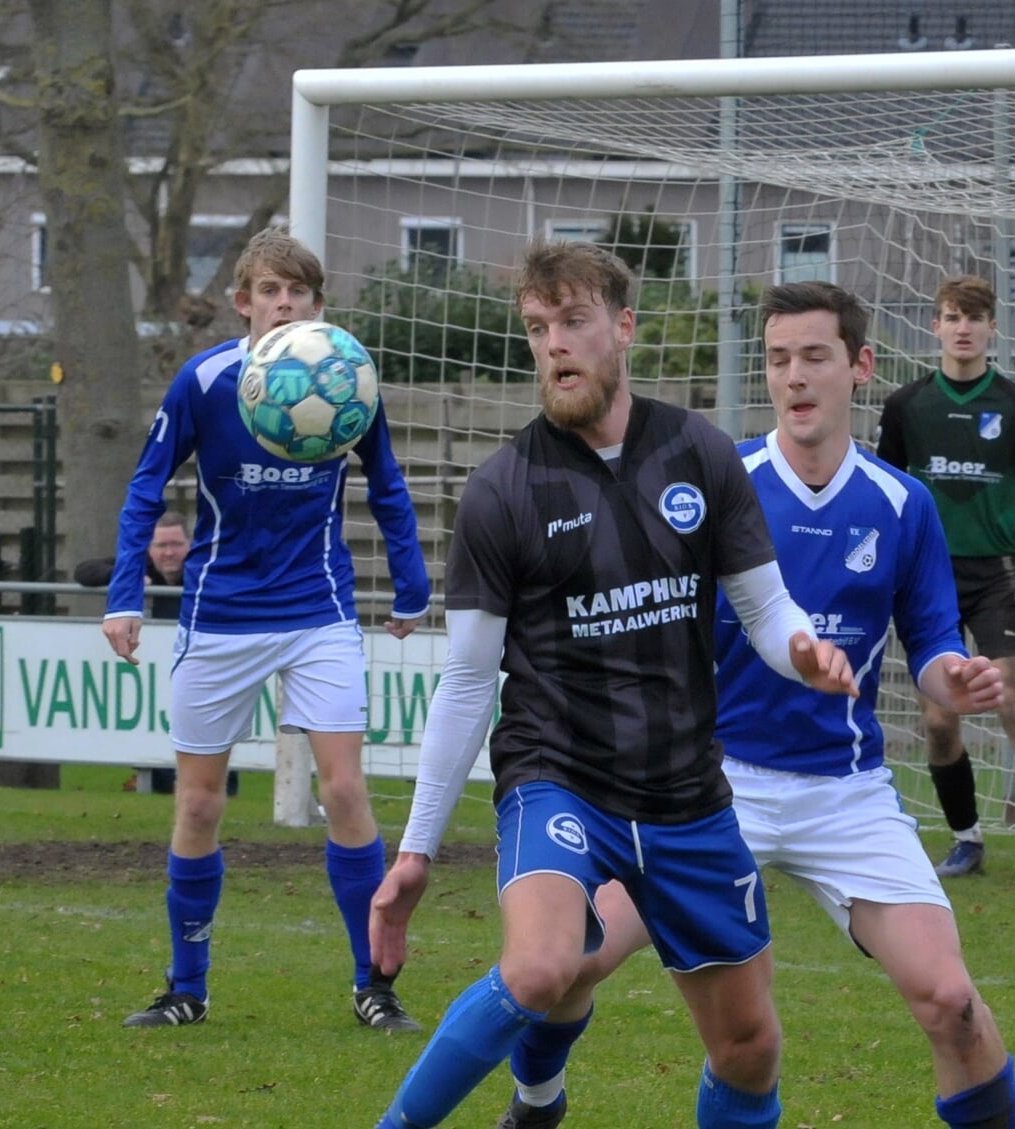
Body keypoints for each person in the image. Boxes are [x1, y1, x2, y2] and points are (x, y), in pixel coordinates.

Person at [489, 281, 1015, 1129]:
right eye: (778, 359)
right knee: (575, 958)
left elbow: (928, 642)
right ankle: (535, 1101)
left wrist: (952, 676)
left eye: (814, 356)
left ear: (860, 366)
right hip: (705, 789)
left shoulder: (901, 505)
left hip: (845, 793)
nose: (794, 377)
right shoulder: (710, 476)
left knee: (950, 1001)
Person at [364, 243, 857, 1129]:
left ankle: (536, 1102)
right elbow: (470, 681)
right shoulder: (500, 491)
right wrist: (414, 851)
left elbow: (766, 611)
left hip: (686, 794)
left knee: (749, 1049)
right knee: (543, 967)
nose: (555, 344)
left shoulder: (699, 453)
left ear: (622, 329)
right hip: (560, 777)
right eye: (538, 328)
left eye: (573, 321)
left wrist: (805, 653)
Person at [103, 227, 433, 1031]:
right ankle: (187, 987)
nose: (284, 304)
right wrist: (122, 593)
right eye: (269, 291)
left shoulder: (349, 377)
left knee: (346, 788)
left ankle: (373, 985)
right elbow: (148, 484)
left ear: (317, 304)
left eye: (299, 292)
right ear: (242, 301)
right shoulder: (205, 380)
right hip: (217, 614)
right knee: (199, 805)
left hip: (315, 609)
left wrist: (413, 585)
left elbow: (385, 482)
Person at [876, 274, 1015, 884]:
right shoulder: (907, 406)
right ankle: (966, 840)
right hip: (925, 581)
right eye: (952, 316)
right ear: (935, 326)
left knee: (1014, 700)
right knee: (940, 721)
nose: (963, 327)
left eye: (975, 316)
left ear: (992, 327)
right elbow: (883, 494)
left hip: (995, 578)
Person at [76, 512, 236, 797]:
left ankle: (226, 791)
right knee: (163, 731)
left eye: (176, 544)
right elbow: (84, 571)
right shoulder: (143, 564)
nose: (169, 553)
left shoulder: (206, 566)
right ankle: (161, 787)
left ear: (190, 543)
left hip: (206, 665)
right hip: (159, 669)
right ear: (149, 548)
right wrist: (129, 575)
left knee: (211, 735)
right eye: (161, 546)